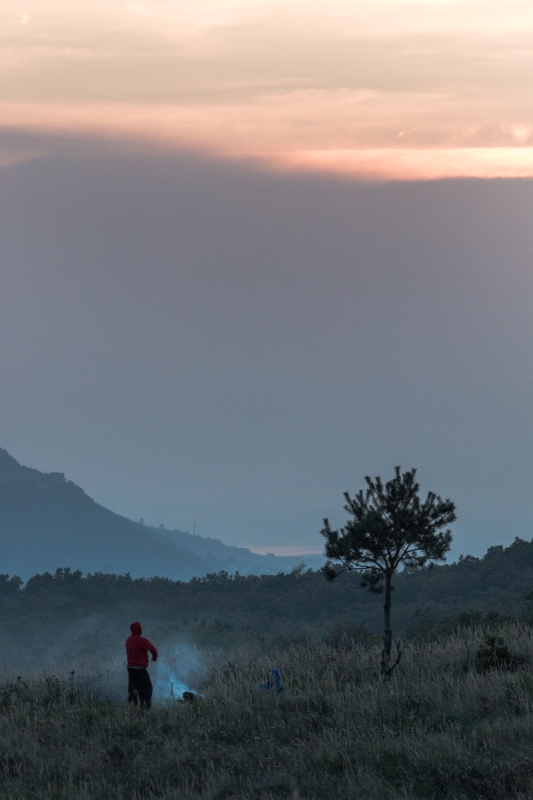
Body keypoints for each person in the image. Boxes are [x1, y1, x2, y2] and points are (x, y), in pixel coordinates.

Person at [125, 621, 158, 708]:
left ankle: (132, 710)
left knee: (133, 690)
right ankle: (144, 710)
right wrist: (154, 658)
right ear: (138, 629)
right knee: (147, 690)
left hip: (130, 669)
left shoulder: (128, 640)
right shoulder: (140, 640)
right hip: (139, 669)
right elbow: (153, 649)